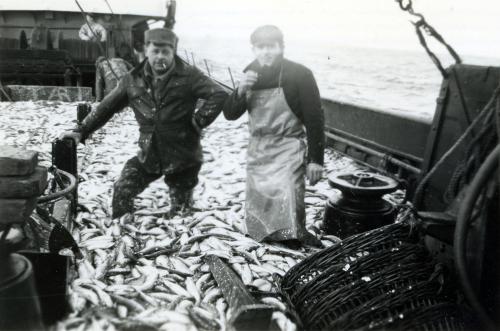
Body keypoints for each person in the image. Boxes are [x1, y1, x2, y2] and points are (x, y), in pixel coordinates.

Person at [61, 28, 228, 218]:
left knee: (181, 214)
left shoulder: (190, 76)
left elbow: (219, 93)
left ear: (174, 51)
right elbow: (106, 108)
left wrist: (199, 121)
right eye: (155, 51)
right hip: (149, 152)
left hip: (183, 154)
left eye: (166, 51)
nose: (160, 57)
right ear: (146, 50)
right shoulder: (131, 80)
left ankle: (180, 216)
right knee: (122, 192)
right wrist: (81, 131)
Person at [223, 25, 325, 247]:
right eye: (260, 47)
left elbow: (315, 119)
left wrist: (316, 160)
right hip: (259, 146)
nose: (266, 52)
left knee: (290, 194)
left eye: (271, 46)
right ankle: (265, 237)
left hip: (289, 145)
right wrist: (239, 91)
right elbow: (229, 114)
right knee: (261, 201)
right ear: (254, 49)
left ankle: (294, 236)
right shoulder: (249, 73)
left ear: (281, 48)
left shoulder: (300, 74)